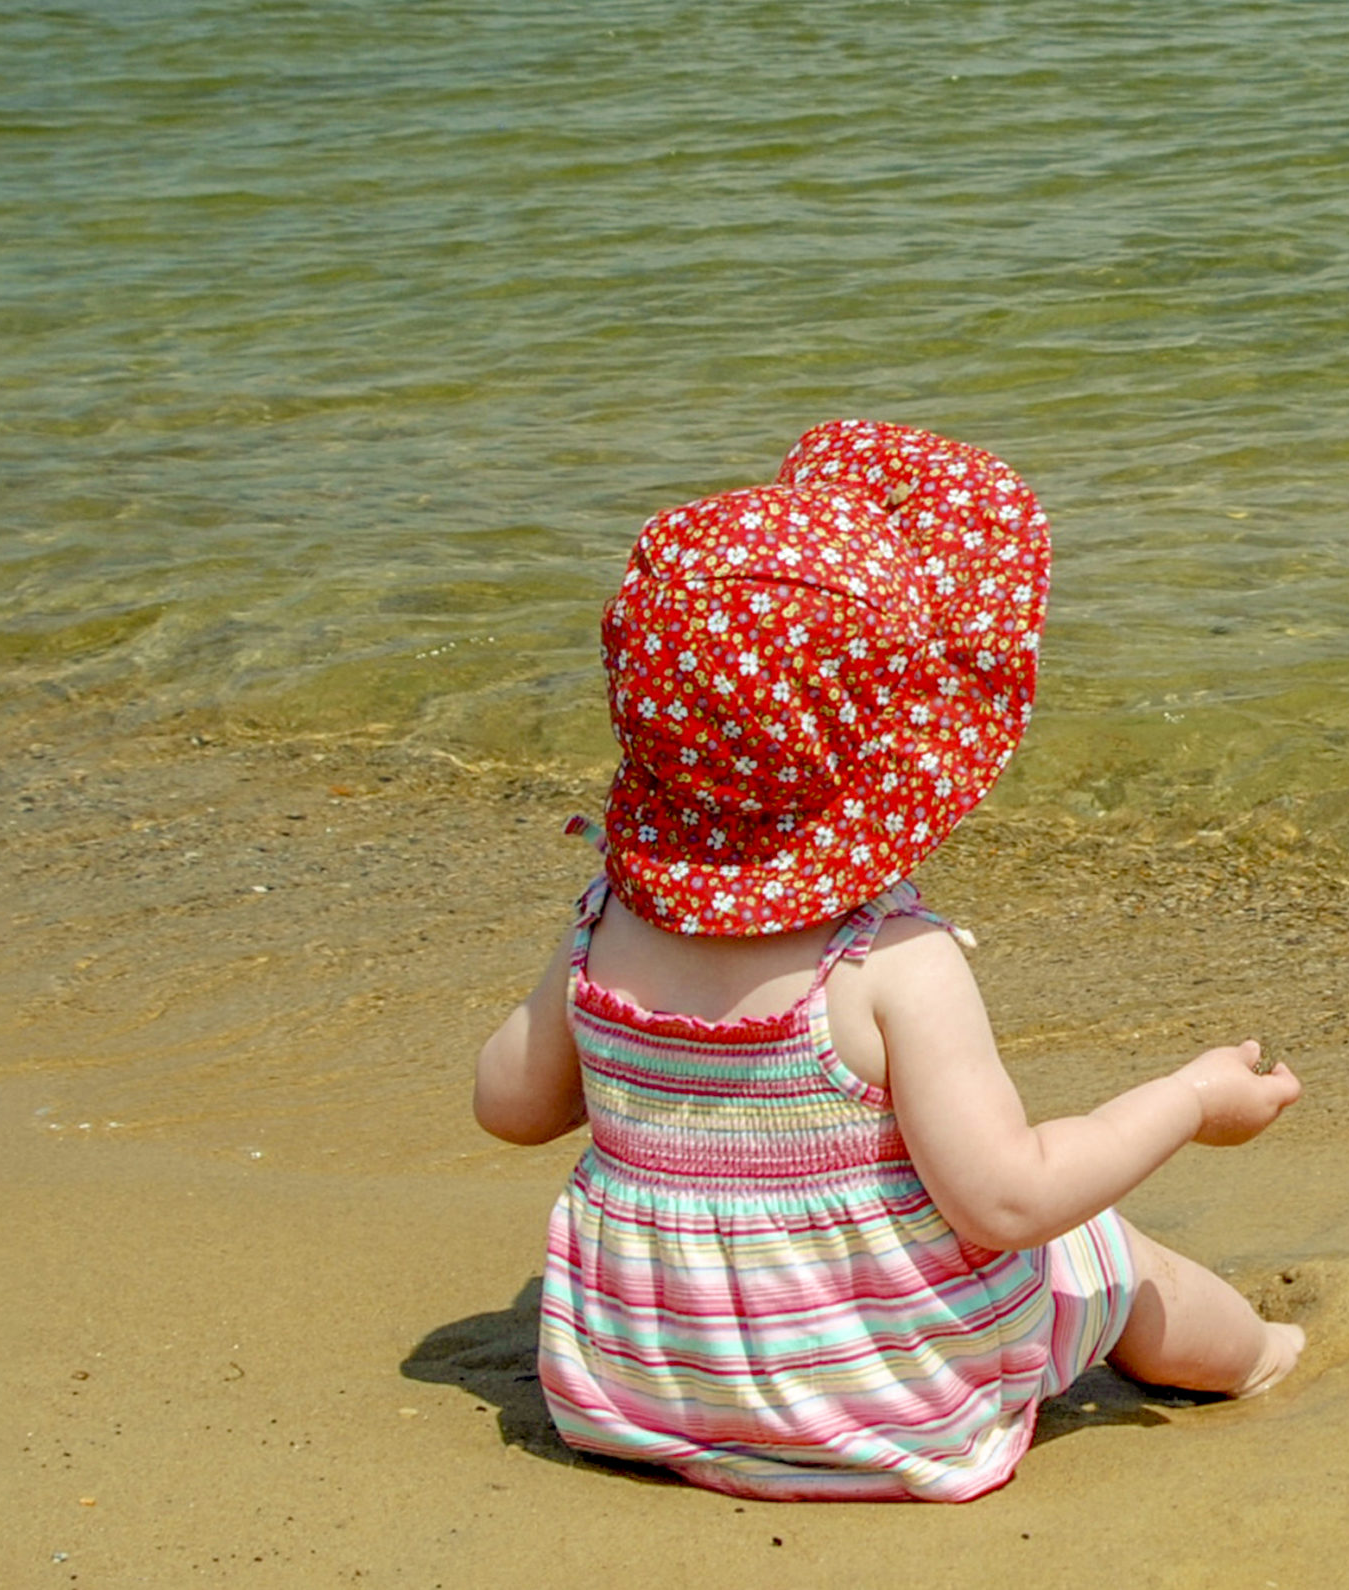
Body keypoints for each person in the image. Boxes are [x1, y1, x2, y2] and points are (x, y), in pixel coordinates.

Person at [471, 419, 1305, 1502]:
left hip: (639, 1390)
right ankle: (1255, 1357)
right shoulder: (887, 964)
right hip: (885, 1403)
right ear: (897, 738)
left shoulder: (610, 921)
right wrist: (1188, 1098)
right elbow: (1007, 1203)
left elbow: (509, 1105)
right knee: (1103, 1247)